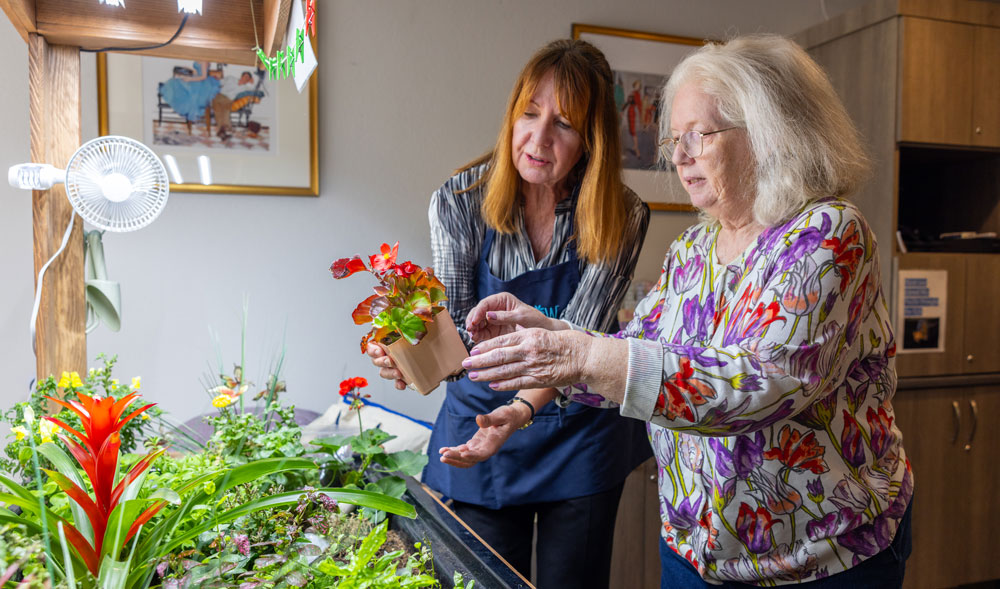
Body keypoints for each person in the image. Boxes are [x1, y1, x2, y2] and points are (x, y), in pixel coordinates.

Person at [448, 35, 913, 588]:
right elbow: (632, 353)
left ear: (769, 132)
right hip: (693, 553)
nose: (679, 155)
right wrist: (549, 331)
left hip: (818, 559)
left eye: (698, 135)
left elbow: (756, 385)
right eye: (675, 139)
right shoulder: (695, 248)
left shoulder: (827, 235)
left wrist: (576, 353)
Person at [367, 39, 652, 588]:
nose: (539, 138)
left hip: (579, 434)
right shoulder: (460, 199)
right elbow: (451, 334)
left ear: (591, 139)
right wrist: (406, 354)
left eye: (564, 124)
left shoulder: (622, 213)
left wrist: (522, 410)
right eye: (530, 113)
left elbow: (581, 345)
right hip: (480, 426)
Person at [210, 69, 255, 141]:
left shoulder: (245, 87)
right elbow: (220, 82)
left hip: (228, 100)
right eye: (245, 76)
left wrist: (251, 82)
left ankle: (221, 131)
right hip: (219, 95)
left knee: (219, 109)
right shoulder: (231, 78)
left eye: (247, 78)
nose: (245, 78)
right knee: (223, 109)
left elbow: (254, 89)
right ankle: (225, 129)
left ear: (248, 80)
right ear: (241, 76)